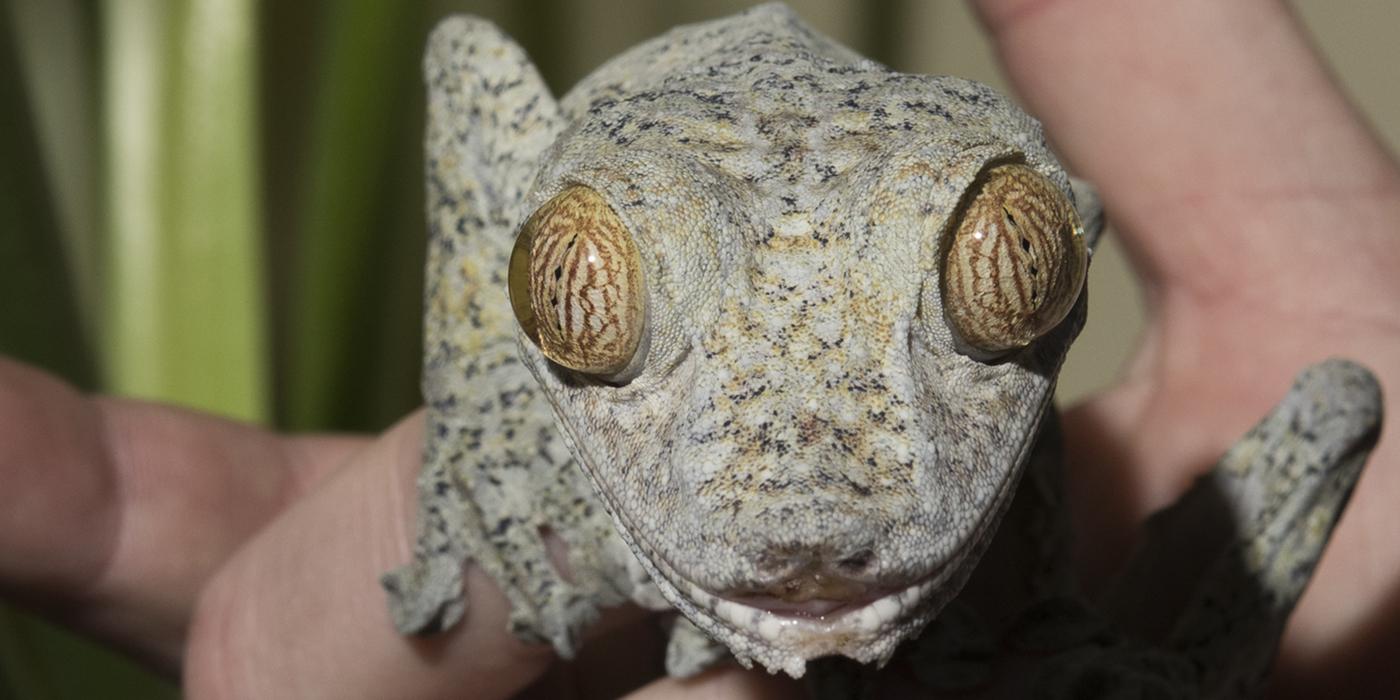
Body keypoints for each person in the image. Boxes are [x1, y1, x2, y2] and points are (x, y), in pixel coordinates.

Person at [2, 0, 1396, 697]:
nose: (811, 526)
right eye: (582, 292)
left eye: (1013, 269)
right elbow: (473, 71)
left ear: (1061, 254)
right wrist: (491, 395)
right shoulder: (570, 177)